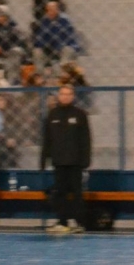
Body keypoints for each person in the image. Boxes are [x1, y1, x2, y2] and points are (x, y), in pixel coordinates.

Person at [40, 85, 91, 235]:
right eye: (63, 94)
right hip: (59, 162)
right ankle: (62, 222)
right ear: (58, 96)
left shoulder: (80, 114)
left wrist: (85, 160)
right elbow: (47, 140)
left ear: (73, 96)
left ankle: (79, 222)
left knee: (77, 192)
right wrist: (44, 159)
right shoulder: (52, 115)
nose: (66, 96)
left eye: (69, 94)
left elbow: (86, 139)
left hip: (75, 162)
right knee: (60, 193)